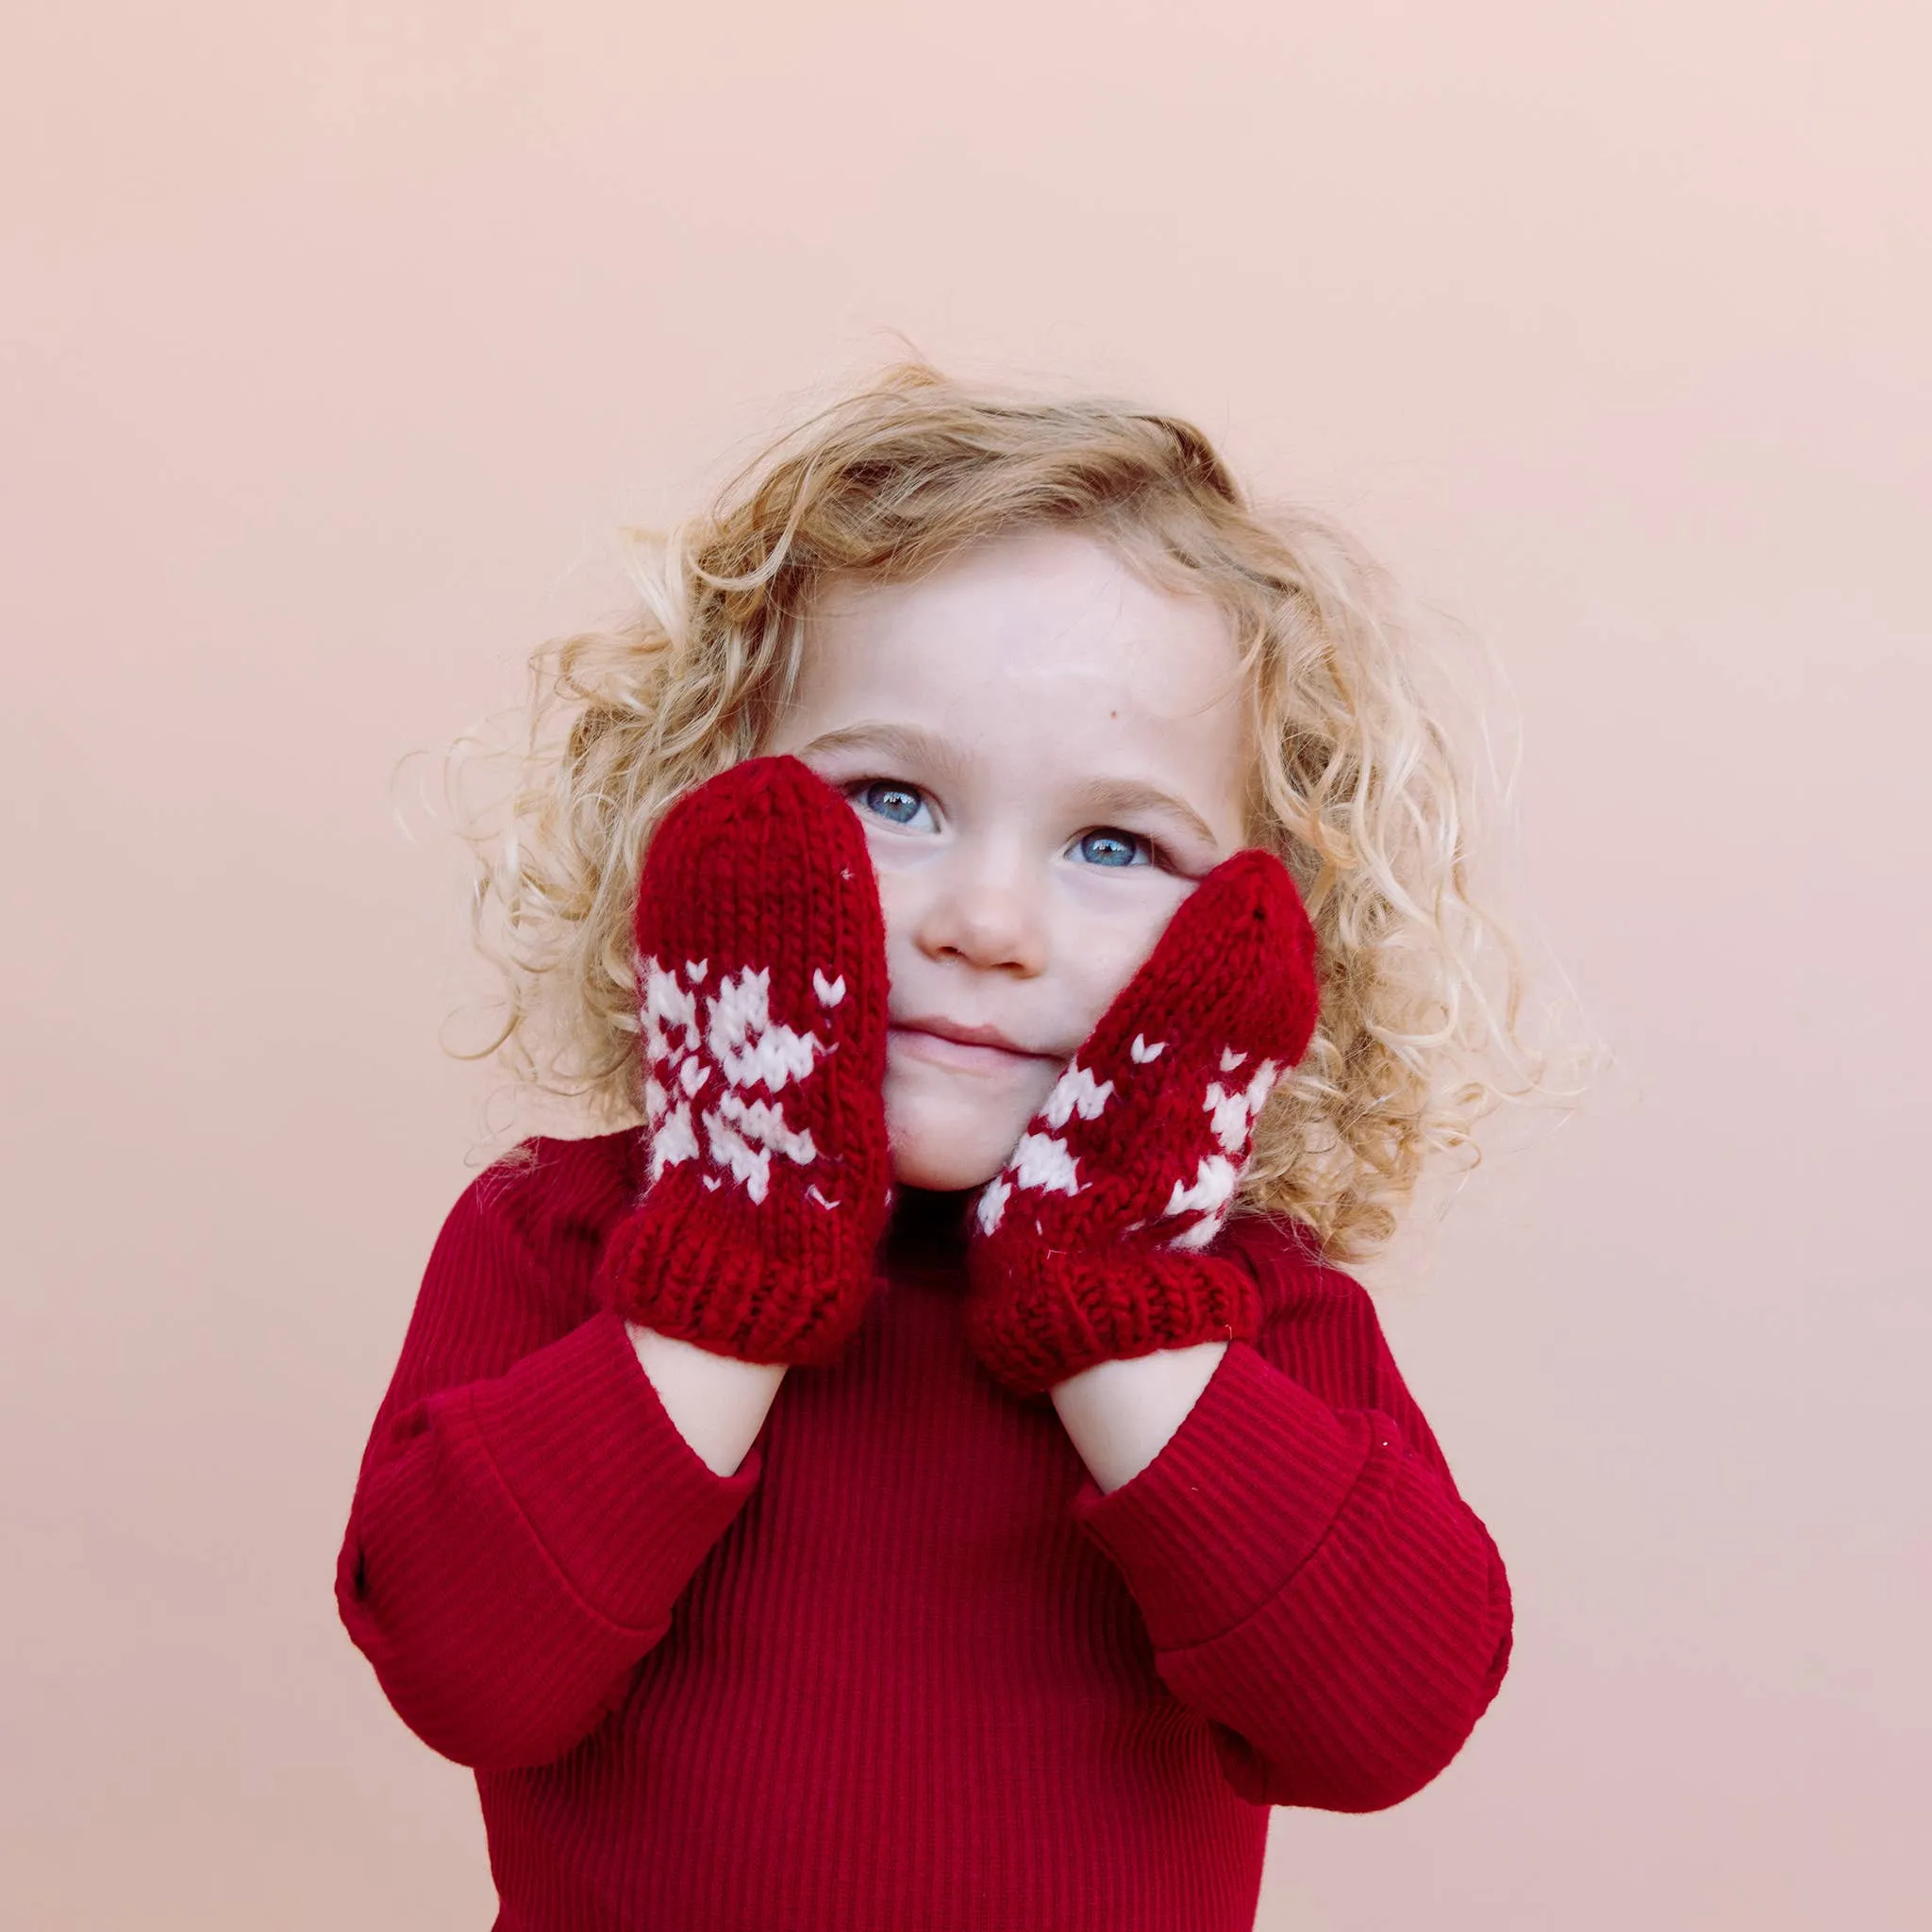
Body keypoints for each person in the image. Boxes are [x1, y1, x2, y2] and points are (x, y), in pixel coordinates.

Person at [336, 363, 1546, 1931]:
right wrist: (733, 1259)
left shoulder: (1254, 1314)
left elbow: (1383, 1719)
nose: (985, 924)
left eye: (1116, 844)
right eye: (892, 798)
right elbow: (462, 1670)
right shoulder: (563, 1240)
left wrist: (1107, 1303)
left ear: (1263, 915)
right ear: (704, 806)